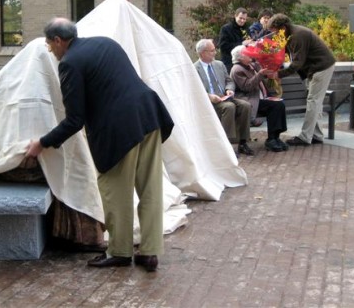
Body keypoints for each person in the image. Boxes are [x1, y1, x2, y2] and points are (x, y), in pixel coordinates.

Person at [25, 17, 174, 272]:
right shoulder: (106, 43)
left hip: (119, 129)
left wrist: (42, 142)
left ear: (58, 41)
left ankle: (119, 251)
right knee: (150, 188)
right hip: (149, 115)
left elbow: (74, 120)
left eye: (50, 46)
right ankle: (149, 253)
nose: (51, 51)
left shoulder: (70, 63)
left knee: (115, 192)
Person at [267, 14, 336, 146]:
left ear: (283, 27)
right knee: (315, 102)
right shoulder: (290, 34)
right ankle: (316, 135)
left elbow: (297, 63)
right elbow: (283, 51)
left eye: (274, 30)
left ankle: (305, 137)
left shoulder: (298, 36)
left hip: (322, 67)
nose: (273, 33)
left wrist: (278, 74)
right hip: (316, 68)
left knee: (313, 101)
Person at [194, 39, 254, 156]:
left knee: (245, 105)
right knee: (229, 107)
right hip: (210, 100)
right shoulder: (195, 69)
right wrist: (209, 96)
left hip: (224, 96)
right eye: (212, 51)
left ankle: (243, 142)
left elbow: (229, 80)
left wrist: (229, 89)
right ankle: (226, 145)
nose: (215, 52)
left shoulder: (219, 64)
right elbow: (194, 89)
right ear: (202, 53)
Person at [230, 45, 289, 152]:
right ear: (240, 58)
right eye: (247, 53)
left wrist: (269, 65)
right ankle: (271, 140)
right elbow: (246, 87)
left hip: (260, 98)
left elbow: (263, 70)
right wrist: (260, 74)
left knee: (279, 104)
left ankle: (275, 137)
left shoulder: (251, 65)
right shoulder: (237, 69)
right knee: (274, 106)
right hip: (249, 100)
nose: (250, 54)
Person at [218, 7, 254, 73]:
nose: (242, 21)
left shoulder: (246, 29)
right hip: (230, 63)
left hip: (245, 62)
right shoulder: (226, 29)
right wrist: (241, 44)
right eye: (240, 18)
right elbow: (223, 46)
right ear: (235, 16)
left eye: (244, 19)